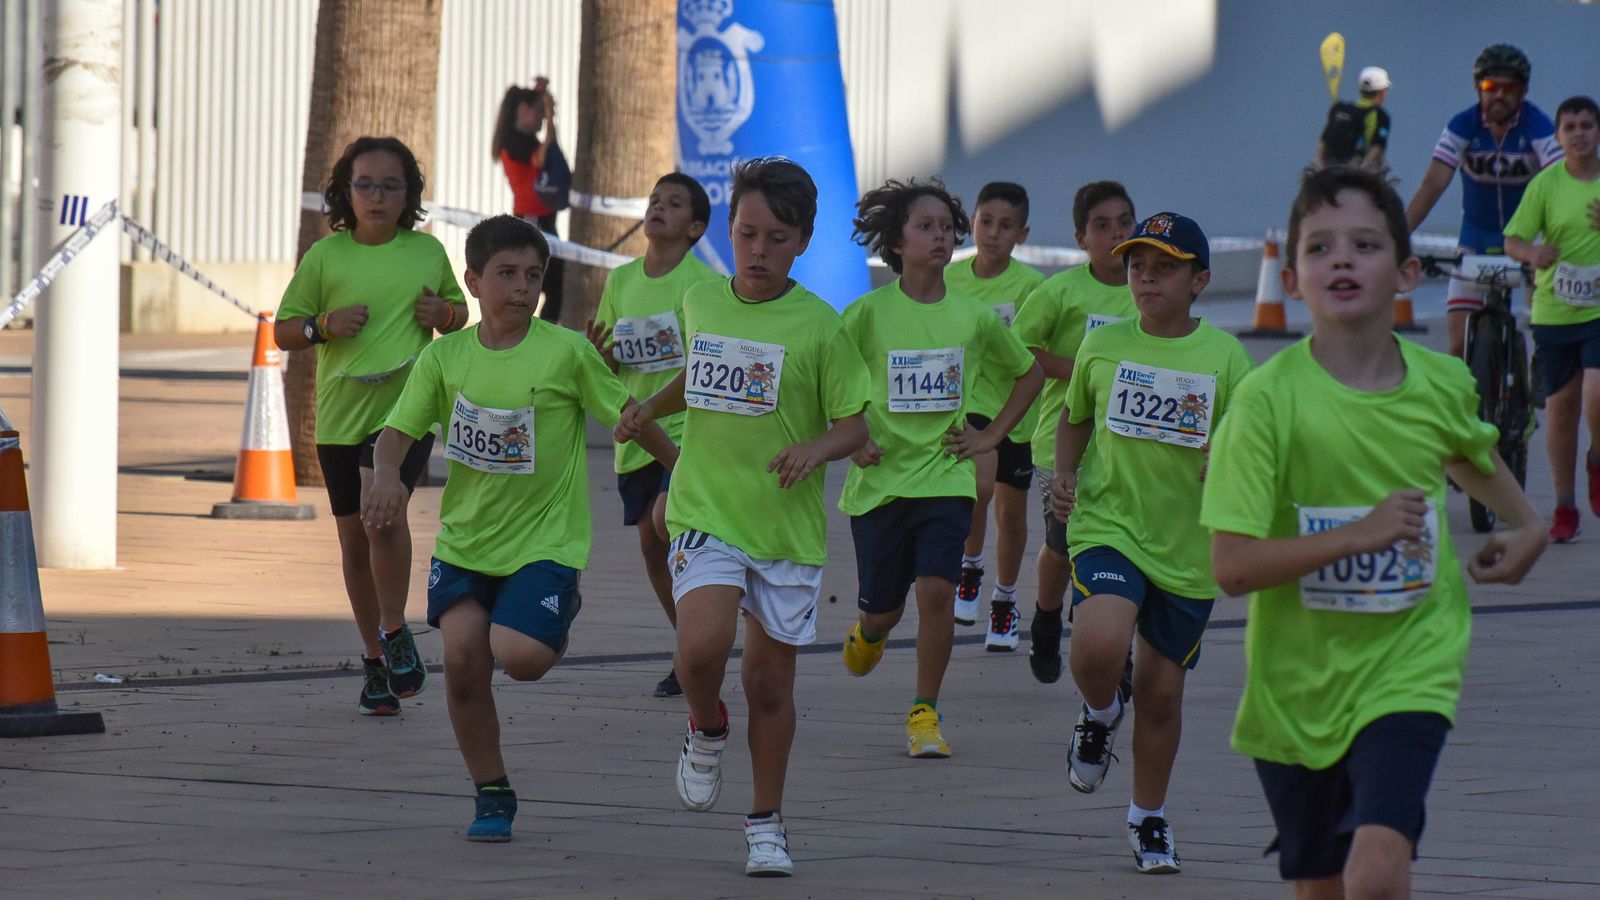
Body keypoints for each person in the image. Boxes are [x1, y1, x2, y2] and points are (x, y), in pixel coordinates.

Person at [1204, 166, 1546, 898]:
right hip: (1296, 689)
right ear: (1292, 278)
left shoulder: (1442, 382)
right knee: (1323, 885)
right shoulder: (1264, 406)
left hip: (1411, 661)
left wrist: (1527, 526)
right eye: (1320, 248)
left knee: (1376, 872)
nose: (1342, 260)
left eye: (1364, 244)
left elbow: (1468, 452)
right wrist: (1355, 536)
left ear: (1406, 272)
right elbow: (1230, 568)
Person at [363, 215, 676, 842]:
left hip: (544, 542)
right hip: (465, 542)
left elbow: (633, 417)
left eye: (534, 276)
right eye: (506, 274)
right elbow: (397, 432)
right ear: (473, 281)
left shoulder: (566, 351)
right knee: (462, 659)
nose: (522, 287)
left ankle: (553, 616)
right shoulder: (444, 357)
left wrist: (682, 473)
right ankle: (492, 791)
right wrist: (387, 474)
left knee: (523, 658)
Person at [614, 157, 870, 877]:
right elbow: (695, 372)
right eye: (747, 233)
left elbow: (856, 425)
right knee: (699, 652)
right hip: (705, 508)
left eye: (777, 237)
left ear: (803, 241)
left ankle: (766, 823)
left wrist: (814, 449)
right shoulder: (702, 302)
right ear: (727, 230)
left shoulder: (822, 326)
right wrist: (651, 409)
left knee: (769, 685)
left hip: (784, 531)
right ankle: (705, 724)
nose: (758, 250)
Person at [1048, 212, 1254, 875]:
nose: (1146, 278)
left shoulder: (1226, 357)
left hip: (1188, 547)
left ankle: (1148, 818)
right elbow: (1075, 418)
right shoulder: (1104, 346)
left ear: (1200, 280)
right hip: (1110, 526)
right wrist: (1066, 477)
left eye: (1164, 267)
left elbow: (1249, 440)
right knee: (1100, 645)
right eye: (1138, 265)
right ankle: (1100, 709)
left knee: (1164, 695)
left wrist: (1224, 458)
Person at [839, 178, 1042, 756]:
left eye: (945, 226)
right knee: (883, 610)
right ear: (896, 243)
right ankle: (870, 632)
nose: (940, 235)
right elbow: (829, 384)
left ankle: (924, 713)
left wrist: (993, 436)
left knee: (936, 592)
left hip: (947, 473)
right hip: (880, 479)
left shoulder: (974, 318)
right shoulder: (866, 315)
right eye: (924, 226)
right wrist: (853, 439)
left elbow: (1027, 373)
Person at [275, 136, 467, 717]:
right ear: (345, 191)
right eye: (365, 185)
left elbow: (460, 317)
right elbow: (284, 330)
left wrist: (445, 314)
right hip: (339, 413)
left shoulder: (426, 252)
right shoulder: (325, 256)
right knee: (354, 541)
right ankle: (375, 661)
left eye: (391, 186)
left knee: (382, 516)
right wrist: (323, 325)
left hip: (404, 411)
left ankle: (394, 629)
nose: (377, 196)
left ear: (408, 194)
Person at [589, 173, 722, 696]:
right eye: (653, 200)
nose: (658, 208)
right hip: (635, 431)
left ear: (695, 226)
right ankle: (686, 646)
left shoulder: (699, 283)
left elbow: (707, 359)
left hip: (687, 428)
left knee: (667, 525)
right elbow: (605, 356)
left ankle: (697, 645)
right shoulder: (620, 281)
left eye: (673, 204)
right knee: (650, 543)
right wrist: (599, 353)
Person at [1009, 181, 1135, 685]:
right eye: (1102, 226)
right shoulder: (1060, 292)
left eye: (1125, 221)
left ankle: (1113, 644)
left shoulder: (1147, 288)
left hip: (1129, 448)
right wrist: (1085, 369)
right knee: (1063, 545)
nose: (1116, 233)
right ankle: (1045, 616)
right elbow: (1019, 352)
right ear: (1081, 237)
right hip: (1063, 443)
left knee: (1119, 545)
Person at [1405, 44, 1562, 359]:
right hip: (1477, 235)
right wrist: (1398, 235)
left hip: (1526, 234)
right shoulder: (1463, 125)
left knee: (1549, 325)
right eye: (1490, 86)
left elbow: (1561, 182)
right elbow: (1433, 184)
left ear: (1524, 91)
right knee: (1457, 348)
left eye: (1509, 88)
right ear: (1478, 87)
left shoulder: (1538, 126)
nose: (1499, 95)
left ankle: (1542, 360)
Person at [942, 181, 1047, 649]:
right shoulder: (951, 278)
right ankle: (970, 568)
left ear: (1022, 233)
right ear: (972, 224)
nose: (994, 233)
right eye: (986, 222)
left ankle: (1004, 602)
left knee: (1011, 510)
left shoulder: (1030, 287)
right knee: (976, 491)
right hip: (969, 406)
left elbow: (1032, 353)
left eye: (1006, 226)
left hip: (1017, 413)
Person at [1505, 96, 1600, 543]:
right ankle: (1564, 506)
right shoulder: (1545, 184)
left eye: (1586, 124)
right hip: (1556, 311)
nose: (1579, 133)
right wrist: (1532, 253)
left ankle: (1597, 460)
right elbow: (1514, 239)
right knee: (1562, 410)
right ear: (1558, 137)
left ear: (1597, 131)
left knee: (1597, 396)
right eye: (1570, 126)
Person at [492, 78, 566, 322]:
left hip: (544, 216)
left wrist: (541, 96)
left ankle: (542, 327)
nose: (542, 121)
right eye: (539, 115)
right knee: (549, 280)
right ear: (522, 111)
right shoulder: (514, 142)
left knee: (556, 282)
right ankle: (534, 326)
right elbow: (541, 158)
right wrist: (551, 122)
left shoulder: (524, 139)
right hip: (531, 218)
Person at [1314, 66, 1392, 170]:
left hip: (1329, 167)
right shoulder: (1381, 116)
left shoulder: (1339, 107)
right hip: (1359, 169)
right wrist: (1360, 171)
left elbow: (1322, 141)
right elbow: (1376, 148)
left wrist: (1319, 167)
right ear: (1382, 92)